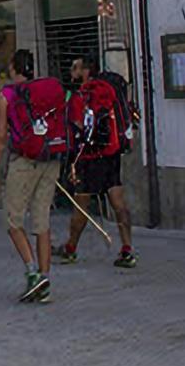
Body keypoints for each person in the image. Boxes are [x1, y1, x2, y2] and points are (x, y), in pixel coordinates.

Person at [0, 49, 70, 303]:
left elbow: (1, 137)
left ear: (13, 68)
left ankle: (33, 273)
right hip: (50, 158)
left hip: (24, 162)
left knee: (13, 220)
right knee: (41, 220)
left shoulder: (7, 96)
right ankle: (45, 278)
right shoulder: (46, 89)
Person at [59, 57, 138, 267]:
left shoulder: (80, 96)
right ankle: (127, 249)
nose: (71, 71)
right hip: (111, 154)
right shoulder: (109, 90)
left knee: (81, 206)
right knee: (118, 202)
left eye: (75, 68)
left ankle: (71, 248)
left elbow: (76, 127)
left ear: (85, 71)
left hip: (89, 157)